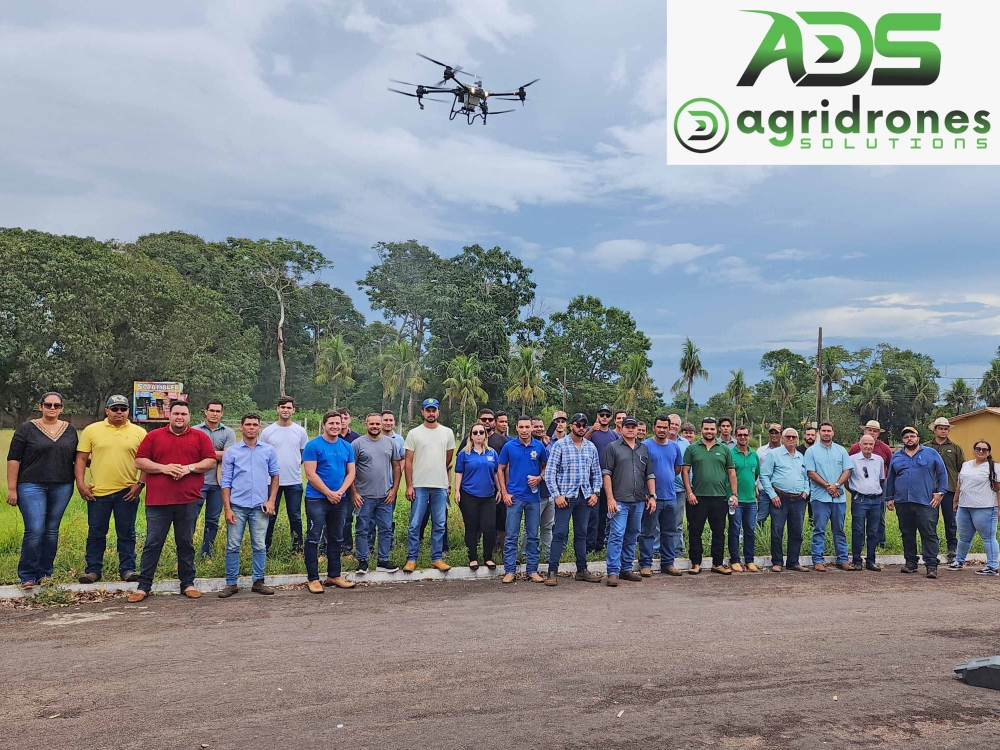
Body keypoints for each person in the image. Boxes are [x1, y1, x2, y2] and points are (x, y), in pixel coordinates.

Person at [129, 400, 216, 602]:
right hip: (158, 501)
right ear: (169, 415)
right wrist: (164, 468)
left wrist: (189, 468)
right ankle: (143, 587)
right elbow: (139, 461)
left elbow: (210, 461)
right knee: (153, 543)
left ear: (189, 416)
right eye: (176, 413)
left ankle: (188, 583)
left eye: (183, 414)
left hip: (188, 500)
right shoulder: (153, 436)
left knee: (185, 543)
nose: (180, 417)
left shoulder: (200, 437)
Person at [6, 392, 78, 589]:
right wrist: (12, 488)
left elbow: (77, 457)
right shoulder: (26, 429)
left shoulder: (70, 430)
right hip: (31, 485)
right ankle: (27, 575)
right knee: (35, 529)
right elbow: (13, 459)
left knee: (51, 531)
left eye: (56, 405)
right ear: (41, 406)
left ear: (62, 408)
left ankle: (45, 573)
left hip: (62, 485)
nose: (52, 408)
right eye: (48, 405)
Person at [76, 395, 146, 584]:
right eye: (114, 409)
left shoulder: (139, 432)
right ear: (106, 410)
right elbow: (81, 458)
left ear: (128, 411)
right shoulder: (92, 430)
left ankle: (128, 569)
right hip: (98, 492)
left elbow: (146, 461)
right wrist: (81, 484)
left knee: (127, 533)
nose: (119, 412)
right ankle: (93, 570)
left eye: (123, 409)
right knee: (96, 532)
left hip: (127, 492)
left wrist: (140, 484)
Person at [218, 413, 279, 598]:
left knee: (259, 545)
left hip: (260, 507)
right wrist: (227, 508)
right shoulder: (232, 452)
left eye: (255, 424)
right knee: (233, 545)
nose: (251, 427)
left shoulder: (268, 450)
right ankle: (231, 583)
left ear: (259, 428)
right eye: (248, 424)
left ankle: (258, 581)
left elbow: (275, 476)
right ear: (241, 427)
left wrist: (271, 500)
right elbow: (226, 481)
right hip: (237, 506)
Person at [543, 413, 603, 585]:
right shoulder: (560, 446)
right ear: (571, 426)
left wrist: (595, 492)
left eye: (584, 425)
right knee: (559, 533)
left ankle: (582, 570)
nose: (581, 428)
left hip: (584, 497)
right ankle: (552, 571)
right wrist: (557, 495)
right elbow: (550, 473)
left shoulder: (590, 447)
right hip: (565, 497)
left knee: (582, 533)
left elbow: (596, 473)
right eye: (578, 425)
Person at [302, 411, 356, 593]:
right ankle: (313, 579)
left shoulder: (347, 447)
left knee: (336, 537)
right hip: (317, 498)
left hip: (339, 498)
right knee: (313, 537)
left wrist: (339, 492)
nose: (335, 426)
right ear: (324, 425)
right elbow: (310, 474)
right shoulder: (313, 445)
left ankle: (334, 575)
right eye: (331, 423)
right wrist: (328, 492)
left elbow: (351, 473)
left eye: (338, 423)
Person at [885, 426, 948, 579]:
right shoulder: (897, 456)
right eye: (906, 437)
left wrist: (940, 493)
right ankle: (911, 562)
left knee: (928, 533)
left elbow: (942, 473)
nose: (909, 439)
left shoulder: (930, 453)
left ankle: (931, 565)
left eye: (912, 436)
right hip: (903, 501)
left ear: (918, 438)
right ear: (903, 440)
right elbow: (891, 478)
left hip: (926, 502)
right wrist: (889, 498)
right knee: (907, 533)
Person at [403, 398, 455, 573]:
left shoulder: (447, 433)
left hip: (440, 485)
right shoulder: (414, 433)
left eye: (434, 410)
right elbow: (408, 462)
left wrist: (445, 481)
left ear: (438, 412)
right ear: (422, 412)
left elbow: (448, 459)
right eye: (428, 410)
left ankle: (437, 558)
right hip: (419, 485)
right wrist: (409, 485)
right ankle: (411, 558)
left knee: (439, 523)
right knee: (415, 523)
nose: (431, 413)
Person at [682, 417, 738, 575]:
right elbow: (685, 472)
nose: (709, 431)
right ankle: (695, 563)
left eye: (712, 429)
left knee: (719, 532)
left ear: (717, 430)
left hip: (719, 498)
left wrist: (734, 494)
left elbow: (731, 473)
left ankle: (718, 563)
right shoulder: (692, 448)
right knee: (695, 531)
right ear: (701, 430)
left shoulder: (724, 449)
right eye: (706, 429)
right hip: (697, 498)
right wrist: (689, 492)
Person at [603, 416, 656, 586]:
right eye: (628, 426)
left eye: (634, 426)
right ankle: (612, 571)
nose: (631, 429)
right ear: (622, 428)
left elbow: (649, 475)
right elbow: (607, 474)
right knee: (617, 534)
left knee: (633, 534)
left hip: (639, 500)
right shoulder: (613, 447)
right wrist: (610, 498)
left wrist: (652, 496)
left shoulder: (644, 449)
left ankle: (626, 568)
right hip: (620, 500)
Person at [498, 415, 549, 584]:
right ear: (517, 428)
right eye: (522, 427)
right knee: (511, 535)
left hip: (533, 497)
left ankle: (532, 570)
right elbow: (500, 469)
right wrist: (504, 493)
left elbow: (545, 466)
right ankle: (510, 570)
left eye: (528, 427)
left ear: (531, 428)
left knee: (533, 535)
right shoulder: (509, 446)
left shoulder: (539, 446)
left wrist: (539, 478)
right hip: (514, 497)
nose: (525, 430)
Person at [353, 412, 403, 573]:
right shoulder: (357, 444)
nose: (375, 426)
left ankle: (383, 560)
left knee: (386, 528)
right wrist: (354, 493)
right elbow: (350, 470)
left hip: (385, 497)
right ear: (366, 425)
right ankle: (362, 560)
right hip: (363, 496)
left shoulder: (390, 443)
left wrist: (394, 490)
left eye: (377, 424)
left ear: (382, 425)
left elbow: (396, 467)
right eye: (371, 424)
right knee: (362, 529)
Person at [261, 396, 309, 554]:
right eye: (282, 407)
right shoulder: (268, 432)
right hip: (271, 481)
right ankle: (264, 549)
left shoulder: (300, 431)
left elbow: (303, 453)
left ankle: (297, 549)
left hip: (293, 481)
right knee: (269, 515)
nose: (285, 410)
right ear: (277, 409)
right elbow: (263, 454)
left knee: (295, 516)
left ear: (293, 410)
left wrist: (294, 464)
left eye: (289, 407)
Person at [638, 414, 684, 577]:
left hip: (671, 497)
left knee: (669, 532)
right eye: (660, 427)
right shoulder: (645, 446)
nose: (663, 430)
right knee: (648, 532)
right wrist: (646, 493)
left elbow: (677, 469)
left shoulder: (674, 447)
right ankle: (645, 564)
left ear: (670, 428)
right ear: (654, 428)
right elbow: (639, 471)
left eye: (665, 427)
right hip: (651, 497)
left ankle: (668, 563)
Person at [804, 422, 853, 572]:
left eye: (829, 431)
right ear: (819, 433)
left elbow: (847, 470)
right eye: (823, 431)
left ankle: (843, 559)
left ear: (833, 433)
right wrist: (827, 486)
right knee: (819, 529)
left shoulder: (841, 450)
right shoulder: (811, 451)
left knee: (839, 529)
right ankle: (818, 560)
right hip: (820, 498)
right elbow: (810, 472)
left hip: (839, 498)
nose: (826, 433)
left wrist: (836, 485)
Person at [759, 428, 809, 572]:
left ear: (797, 439)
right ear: (782, 438)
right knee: (777, 530)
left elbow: (806, 477)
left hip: (798, 499)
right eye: (788, 436)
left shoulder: (800, 457)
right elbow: (764, 476)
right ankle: (777, 562)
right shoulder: (774, 455)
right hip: (779, 498)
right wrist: (772, 495)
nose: (791, 439)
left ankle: (793, 562)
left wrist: (806, 491)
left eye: (794, 437)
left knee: (796, 531)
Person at [193, 400, 237, 559]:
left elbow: (228, 455)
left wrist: (203, 454)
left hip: (219, 483)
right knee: (190, 519)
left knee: (212, 521)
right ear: (205, 411)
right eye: (211, 410)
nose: (214, 413)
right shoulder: (194, 431)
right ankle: (185, 555)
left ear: (222, 413)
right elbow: (190, 454)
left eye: (218, 411)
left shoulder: (228, 432)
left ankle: (207, 553)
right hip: (196, 482)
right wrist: (216, 454)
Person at [950, 440, 1000, 575]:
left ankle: (992, 566)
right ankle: (959, 561)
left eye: (985, 449)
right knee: (964, 537)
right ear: (974, 450)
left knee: (988, 537)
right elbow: (960, 484)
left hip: (985, 507)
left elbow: (998, 489)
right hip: (965, 506)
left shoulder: (994, 467)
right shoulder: (966, 465)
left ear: (989, 452)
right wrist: (955, 501)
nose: (981, 451)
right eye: (978, 448)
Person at [454, 424, 499, 572]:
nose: (479, 435)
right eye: (475, 432)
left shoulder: (492, 453)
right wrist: (457, 491)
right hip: (469, 495)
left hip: (488, 496)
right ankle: (473, 558)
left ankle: (488, 557)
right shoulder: (464, 453)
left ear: (485, 435)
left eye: (482, 432)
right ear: (471, 435)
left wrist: (499, 489)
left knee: (489, 527)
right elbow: (459, 472)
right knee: (472, 527)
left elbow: (496, 473)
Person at [923, 417, 966, 564]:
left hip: (949, 489)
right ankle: (930, 549)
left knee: (950, 520)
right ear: (934, 430)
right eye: (940, 428)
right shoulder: (926, 447)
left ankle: (952, 548)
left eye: (946, 428)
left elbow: (962, 469)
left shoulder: (955, 448)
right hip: (929, 490)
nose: (943, 431)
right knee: (930, 520)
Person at [848, 420, 893, 546]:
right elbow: (847, 468)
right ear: (864, 431)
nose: (872, 433)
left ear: (879, 433)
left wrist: (885, 481)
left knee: (879, 515)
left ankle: (880, 541)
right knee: (858, 516)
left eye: (875, 431)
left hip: (879, 484)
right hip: (858, 486)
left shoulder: (885, 448)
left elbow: (890, 466)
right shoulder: (855, 448)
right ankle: (859, 543)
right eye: (869, 430)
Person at [585, 404, 619, 553]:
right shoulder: (589, 431)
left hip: (608, 479)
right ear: (597, 415)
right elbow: (580, 443)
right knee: (592, 515)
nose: (604, 417)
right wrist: (592, 429)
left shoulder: (614, 435)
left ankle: (599, 545)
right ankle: (589, 546)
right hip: (591, 479)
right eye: (601, 415)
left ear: (610, 417)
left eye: (607, 415)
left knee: (604, 514)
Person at [848, 435, 884, 571]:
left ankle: (871, 560)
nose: (868, 446)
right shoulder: (852, 460)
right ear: (860, 445)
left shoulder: (879, 460)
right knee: (858, 530)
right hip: (860, 500)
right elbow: (846, 478)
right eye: (865, 444)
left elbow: (881, 479)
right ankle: (857, 560)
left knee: (873, 531)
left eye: (871, 444)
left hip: (875, 500)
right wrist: (855, 491)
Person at [728, 425, 761, 572]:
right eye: (740, 435)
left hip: (751, 500)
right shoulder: (730, 454)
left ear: (749, 436)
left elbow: (755, 475)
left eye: (745, 435)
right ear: (735, 436)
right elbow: (726, 476)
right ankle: (734, 560)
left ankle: (749, 560)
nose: (743, 437)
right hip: (735, 500)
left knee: (750, 530)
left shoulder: (754, 455)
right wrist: (732, 495)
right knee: (734, 529)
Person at [524, 417, 555, 563]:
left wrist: (548, 447)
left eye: (541, 426)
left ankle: (549, 556)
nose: (540, 429)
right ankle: (525, 555)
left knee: (547, 527)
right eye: (536, 426)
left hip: (550, 493)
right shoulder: (530, 446)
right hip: (535, 494)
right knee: (531, 527)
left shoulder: (548, 445)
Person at [338, 407, 363, 557]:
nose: (342, 422)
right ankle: (325, 549)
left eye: (345, 418)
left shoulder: (356, 438)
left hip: (351, 484)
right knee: (328, 519)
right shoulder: (329, 436)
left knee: (347, 518)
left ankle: (346, 549)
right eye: (339, 418)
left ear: (350, 419)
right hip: (332, 484)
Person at [673, 417, 692, 557]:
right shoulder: (655, 442)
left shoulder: (685, 443)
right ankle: (656, 551)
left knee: (677, 522)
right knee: (656, 524)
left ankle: (678, 551)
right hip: (660, 489)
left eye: (676, 425)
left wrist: (689, 487)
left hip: (680, 489)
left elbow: (688, 468)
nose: (673, 426)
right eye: (671, 424)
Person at [756, 424, 782, 526]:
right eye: (772, 433)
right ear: (769, 434)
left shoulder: (785, 450)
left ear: (781, 435)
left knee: (778, 519)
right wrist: (756, 488)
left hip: (780, 491)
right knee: (761, 517)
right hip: (764, 490)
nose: (774, 435)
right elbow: (757, 470)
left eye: (776, 433)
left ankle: (774, 540)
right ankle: (756, 538)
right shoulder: (761, 451)